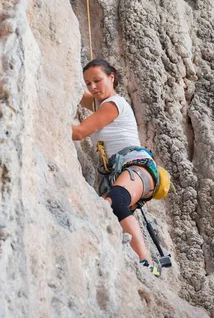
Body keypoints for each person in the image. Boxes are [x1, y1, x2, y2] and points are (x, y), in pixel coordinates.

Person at [72, 59, 161, 277]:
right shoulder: (100, 103)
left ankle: (147, 262)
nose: (92, 87)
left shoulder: (113, 105)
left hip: (136, 166)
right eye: (88, 83)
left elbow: (79, 133)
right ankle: (130, 260)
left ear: (111, 77)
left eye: (97, 80)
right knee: (104, 209)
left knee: (114, 201)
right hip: (121, 172)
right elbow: (72, 93)